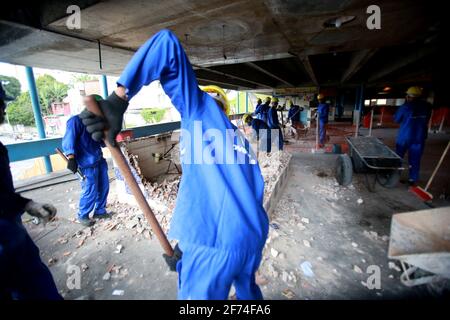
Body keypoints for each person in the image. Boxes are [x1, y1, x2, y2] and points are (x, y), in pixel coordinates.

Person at [79, 29, 269, 300]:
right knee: (249, 297)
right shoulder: (240, 144)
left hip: (214, 245)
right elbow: (232, 196)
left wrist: (117, 99)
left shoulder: (198, 110)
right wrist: (184, 249)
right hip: (252, 240)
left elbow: (165, 44)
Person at [0, 83, 61, 300]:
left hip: (10, 228)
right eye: (1, 104)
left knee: (35, 279)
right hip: (4, 237)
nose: (4, 109)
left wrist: (26, 204)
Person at [62, 94, 110, 227]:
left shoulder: (97, 123)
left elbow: (101, 142)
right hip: (86, 164)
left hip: (99, 160)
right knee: (90, 189)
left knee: (104, 186)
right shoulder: (75, 121)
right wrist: (71, 157)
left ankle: (100, 211)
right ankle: (83, 215)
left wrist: (108, 136)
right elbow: (68, 140)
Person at [394, 86, 432, 185]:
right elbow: (426, 119)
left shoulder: (405, 107)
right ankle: (412, 180)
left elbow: (397, 119)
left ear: (408, 96)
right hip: (419, 137)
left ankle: (394, 176)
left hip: (405, 136)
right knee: (415, 159)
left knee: (398, 157)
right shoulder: (427, 107)